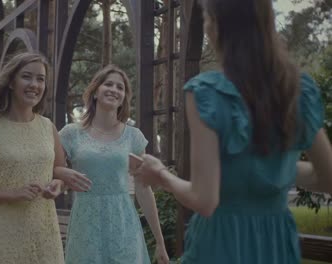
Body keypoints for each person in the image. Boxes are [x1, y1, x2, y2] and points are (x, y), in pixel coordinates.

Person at [134, 0, 332, 263]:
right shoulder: (297, 88)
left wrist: (160, 174)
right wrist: (270, 168)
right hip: (275, 246)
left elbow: (204, 200)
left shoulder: (206, 92)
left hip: (221, 244)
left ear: (216, 27)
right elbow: (327, 178)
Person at [54, 65, 170, 264]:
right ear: (95, 91)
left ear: (124, 97)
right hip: (85, 224)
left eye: (120, 87)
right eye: (108, 84)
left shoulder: (133, 137)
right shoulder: (70, 133)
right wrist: (62, 174)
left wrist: (160, 242)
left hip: (123, 223)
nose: (114, 90)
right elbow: (52, 171)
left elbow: (143, 188)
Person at [0, 52, 66, 264]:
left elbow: (59, 170)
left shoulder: (48, 128)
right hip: (2, 236)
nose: (34, 84)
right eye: (26, 76)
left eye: (40, 79)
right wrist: (13, 194)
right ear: (10, 82)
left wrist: (57, 185)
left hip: (45, 236)